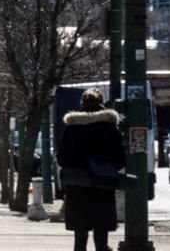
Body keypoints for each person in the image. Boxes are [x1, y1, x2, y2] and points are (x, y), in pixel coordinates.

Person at [57, 87, 125, 251]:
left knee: (80, 236)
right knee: (101, 234)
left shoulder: (72, 128)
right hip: (103, 186)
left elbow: (62, 158)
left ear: (82, 105)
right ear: (101, 104)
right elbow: (120, 159)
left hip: (78, 187)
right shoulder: (109, 128)